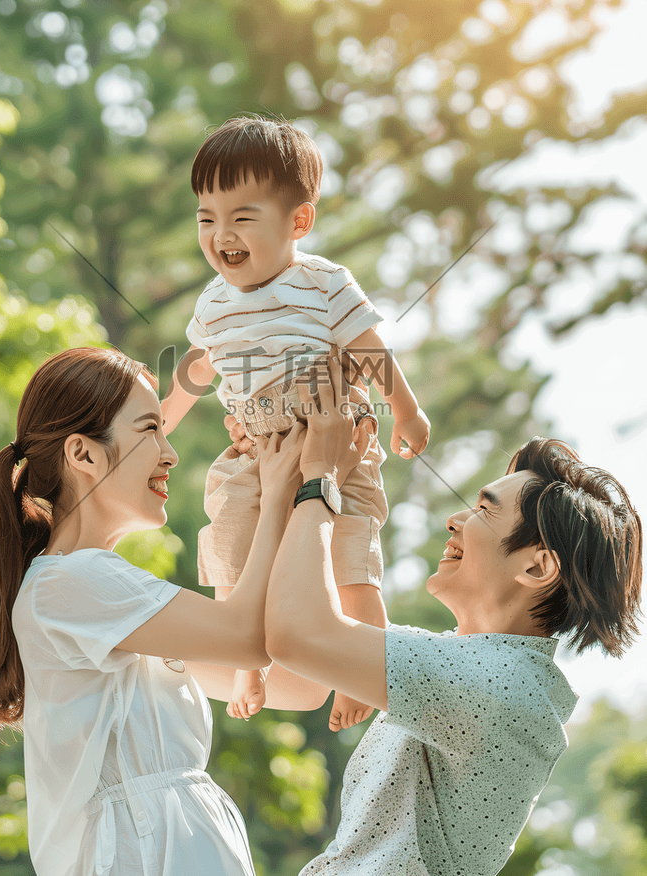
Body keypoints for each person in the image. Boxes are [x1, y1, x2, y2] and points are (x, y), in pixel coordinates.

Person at [262, 351, 643, 876]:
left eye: (485, 510)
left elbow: (295, 633)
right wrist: (308, 479)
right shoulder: (458, 666)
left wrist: (319, 481)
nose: (456, 519)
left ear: (537, 568)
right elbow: (293, 631)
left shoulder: (505, 686)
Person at [0, 345, 331, 876]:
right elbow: (248, 636)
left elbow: (300, 681)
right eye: (150, 429)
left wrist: (268, 495)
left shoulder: (111, 601)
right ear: (83, 454)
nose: (170, 453)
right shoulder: (71, 583)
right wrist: (287, 492)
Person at [160, 114, 430, 730]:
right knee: (231, 543)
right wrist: (161, 420)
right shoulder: (213, 304)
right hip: (255, 446)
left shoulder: (323, 283)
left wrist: (407, 411)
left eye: (241, 217)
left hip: (332, 438)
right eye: (206, 217)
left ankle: (366, 667)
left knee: (350, 559)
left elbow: (368, 349)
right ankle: (246, 658)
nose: (220, 233)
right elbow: (200, 369)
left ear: (298, 221)